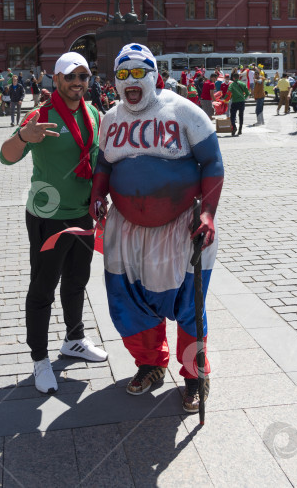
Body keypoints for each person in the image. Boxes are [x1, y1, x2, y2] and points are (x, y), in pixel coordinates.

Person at [89, 43, 224, 412]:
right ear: (115, 81)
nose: (130, 81)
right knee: (128, 302)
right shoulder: (110, 118)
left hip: (182, 228)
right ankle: (150, 364)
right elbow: (103, 164)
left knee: (189, 307)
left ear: (153, 76)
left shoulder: (184, 110)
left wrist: (208, 213)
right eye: (122, 74)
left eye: (137, 73)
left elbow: (212, 163)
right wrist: (98, 194)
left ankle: (196, 376)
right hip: (127, 231)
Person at [0, 52, 107, 394]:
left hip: (82, 213)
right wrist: (22, 138)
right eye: (70, 76)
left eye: (83, 76)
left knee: (77, 281)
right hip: (48, 216)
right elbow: (5, 157)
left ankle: (73, 339)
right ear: (56, 79)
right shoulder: (40, 116)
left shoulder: (93, 114)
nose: (78, 82)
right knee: (43, 288)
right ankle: (40, 359)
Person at [228, 71, 250, 136]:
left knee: (232, 116)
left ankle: (234, 127)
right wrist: (244, 98)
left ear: (233, 78)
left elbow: (228, 92)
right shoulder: (243, 84)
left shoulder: (231, 84)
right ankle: (240, 130)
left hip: (234, 102)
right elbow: (247, 93)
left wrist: (225, 99)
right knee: (241, 116)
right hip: (241, 102)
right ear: (238, 77)